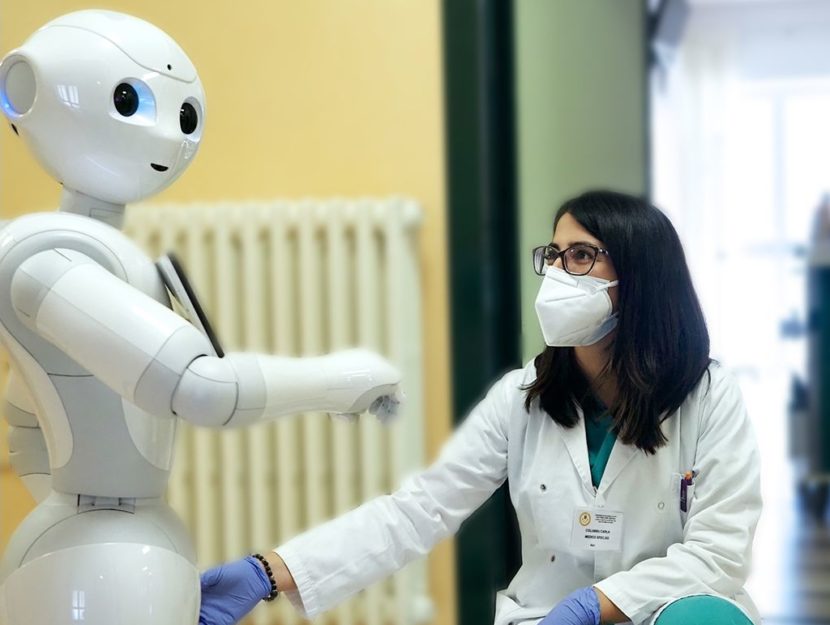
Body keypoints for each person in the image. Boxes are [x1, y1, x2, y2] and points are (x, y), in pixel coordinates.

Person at [198, 190, 762, 625]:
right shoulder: (523, 398)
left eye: (583, 256)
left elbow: (717, 554)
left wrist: (596, 605)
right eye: (555, 256)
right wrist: (270, 571)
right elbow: (418, 511)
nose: (560, 273)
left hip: (659, 614)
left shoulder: (707, 396)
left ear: (640, 279)